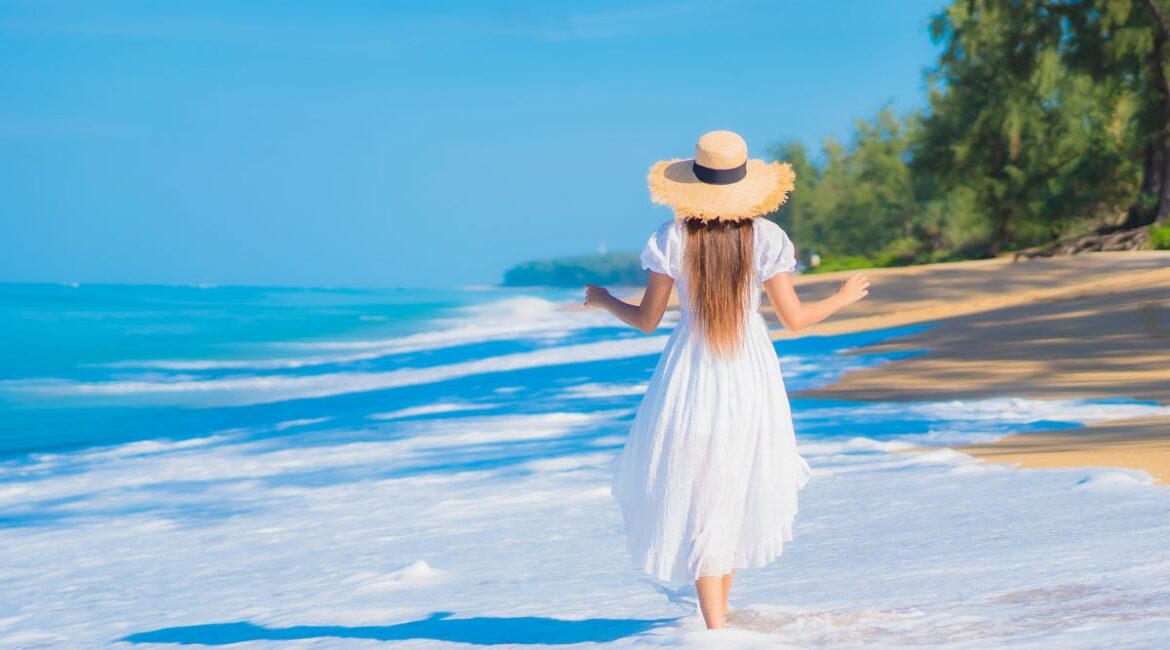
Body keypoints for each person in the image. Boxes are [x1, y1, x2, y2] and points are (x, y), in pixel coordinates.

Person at [584, 130, 869, 630]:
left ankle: (716, 628)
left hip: (691, 370)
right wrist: (843, 298)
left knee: (701, 487)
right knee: (730, 483)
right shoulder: (767, 238)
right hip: (749, 371)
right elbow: (795, 319)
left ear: (693, 182)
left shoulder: (671, 238)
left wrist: (606, 299)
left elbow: (648, 320)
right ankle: (717, 626)